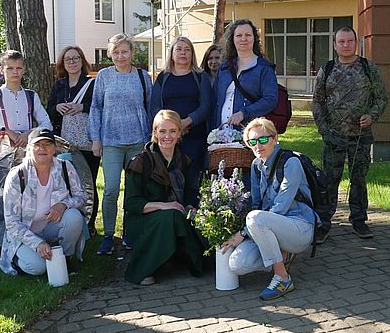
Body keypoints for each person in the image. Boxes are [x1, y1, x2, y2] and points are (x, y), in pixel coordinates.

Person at [220, 117, 319, 301]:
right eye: (252, 142)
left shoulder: (290, 163)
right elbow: (257, 204)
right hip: (269, 227)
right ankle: (281, 254)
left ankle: (282, 277)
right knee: (237, 264)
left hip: (299, 227)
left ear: (275, 139)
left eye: (263, 139)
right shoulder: (256, 166)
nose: (258, 145)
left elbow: (279, 208)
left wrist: (243, 233)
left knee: (255, 219)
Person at [312, 27, 387, 241]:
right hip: (333, 136)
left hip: (360, 136)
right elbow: (317, 102)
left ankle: (359, 221)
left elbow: (381, 98)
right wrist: (324, 130)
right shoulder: (326, 70)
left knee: (359, 180)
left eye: (350, 41)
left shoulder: (368, 67)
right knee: (329, 181)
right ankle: (324, 223)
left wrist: (371, 116)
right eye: (341, 41)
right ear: (335, 45)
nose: (346, 45)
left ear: (356, 43)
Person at [89, 33, 154, 255]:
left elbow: (150, 106)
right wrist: (95, 138)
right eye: (115, 52)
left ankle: (130, 233)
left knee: (134, 191)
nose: (120, 56)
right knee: (111, 189)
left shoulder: (143, 76)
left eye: (124, 51)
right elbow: (96, 107)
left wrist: (151, 139)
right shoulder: (104, 76)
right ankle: (108, 235)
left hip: (138, 141)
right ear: (110, 54)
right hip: (111, 142)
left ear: (132, 53)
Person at [123, 110, 204, 285]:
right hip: (142, 219)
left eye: (173, 131)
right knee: (172, 215)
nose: (167, 136)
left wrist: (191, 206)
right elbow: (131, 203)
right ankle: (144, 268)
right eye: (162, 131)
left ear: (179, 133)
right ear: (155, 133)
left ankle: (184, 260)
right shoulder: (140, 161)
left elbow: (191, 192)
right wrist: (164, 205)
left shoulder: (184, 160)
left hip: (176, 215)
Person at [0, 128, 87, 276]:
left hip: (51, 227)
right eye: (37, 145)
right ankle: (17, 259)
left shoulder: (65, 167)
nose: (42, 149)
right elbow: (12, 223)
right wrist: (37, 243)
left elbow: (82, 196)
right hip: (25, 233)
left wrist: (63, 205)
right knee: (38, 268)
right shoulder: (17, 176)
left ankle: (64, 259)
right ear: (29, 148)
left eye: (47, 144)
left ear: (55, 148)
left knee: (74, 217)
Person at [149, 37, 211, 203]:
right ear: (172, 53)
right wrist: (173, 126)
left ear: (192, 54)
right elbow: (154, 107)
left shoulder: (200, 76)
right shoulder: (163, 77)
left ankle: (191, 218)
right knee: (168, 181)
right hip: (168, 138)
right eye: (179, 49)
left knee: (192, 182)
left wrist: (187, 122)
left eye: (187, 49)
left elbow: (206, 106)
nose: (183, 52)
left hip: (194, 138)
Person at [47, 46, 100, 235]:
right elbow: (49, 112)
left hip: (86, 142)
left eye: (76, 58)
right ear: (63, 63)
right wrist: (58, 107)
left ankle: (90, 223)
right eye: (68, 59)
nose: (72, 62)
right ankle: (71, 221)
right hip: (63, 143)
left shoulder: (92, 84)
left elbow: (98, 107)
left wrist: (81, 106)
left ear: (82, 61)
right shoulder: (58, 86)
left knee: (88, 182)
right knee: (66, 183)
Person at [0, 50, 52, 146]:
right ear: (1, 70)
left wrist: (30, 133)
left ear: (24, 70)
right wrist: (5, 131)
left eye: (19, 68)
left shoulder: (31, 96)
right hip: (1, 150)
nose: (15, 72)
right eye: (10, 68)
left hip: (28, 149)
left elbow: (47, 124)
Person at [211, 19, 278, 129]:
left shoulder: (264, 68)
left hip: (251, 132)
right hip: (221, 132)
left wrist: (244, 113)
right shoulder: (224, 68)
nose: (243, 39)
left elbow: (270, 99)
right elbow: (215, 100)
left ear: (254, 38)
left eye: (248, 35)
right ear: (232, 39)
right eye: (238, 35)